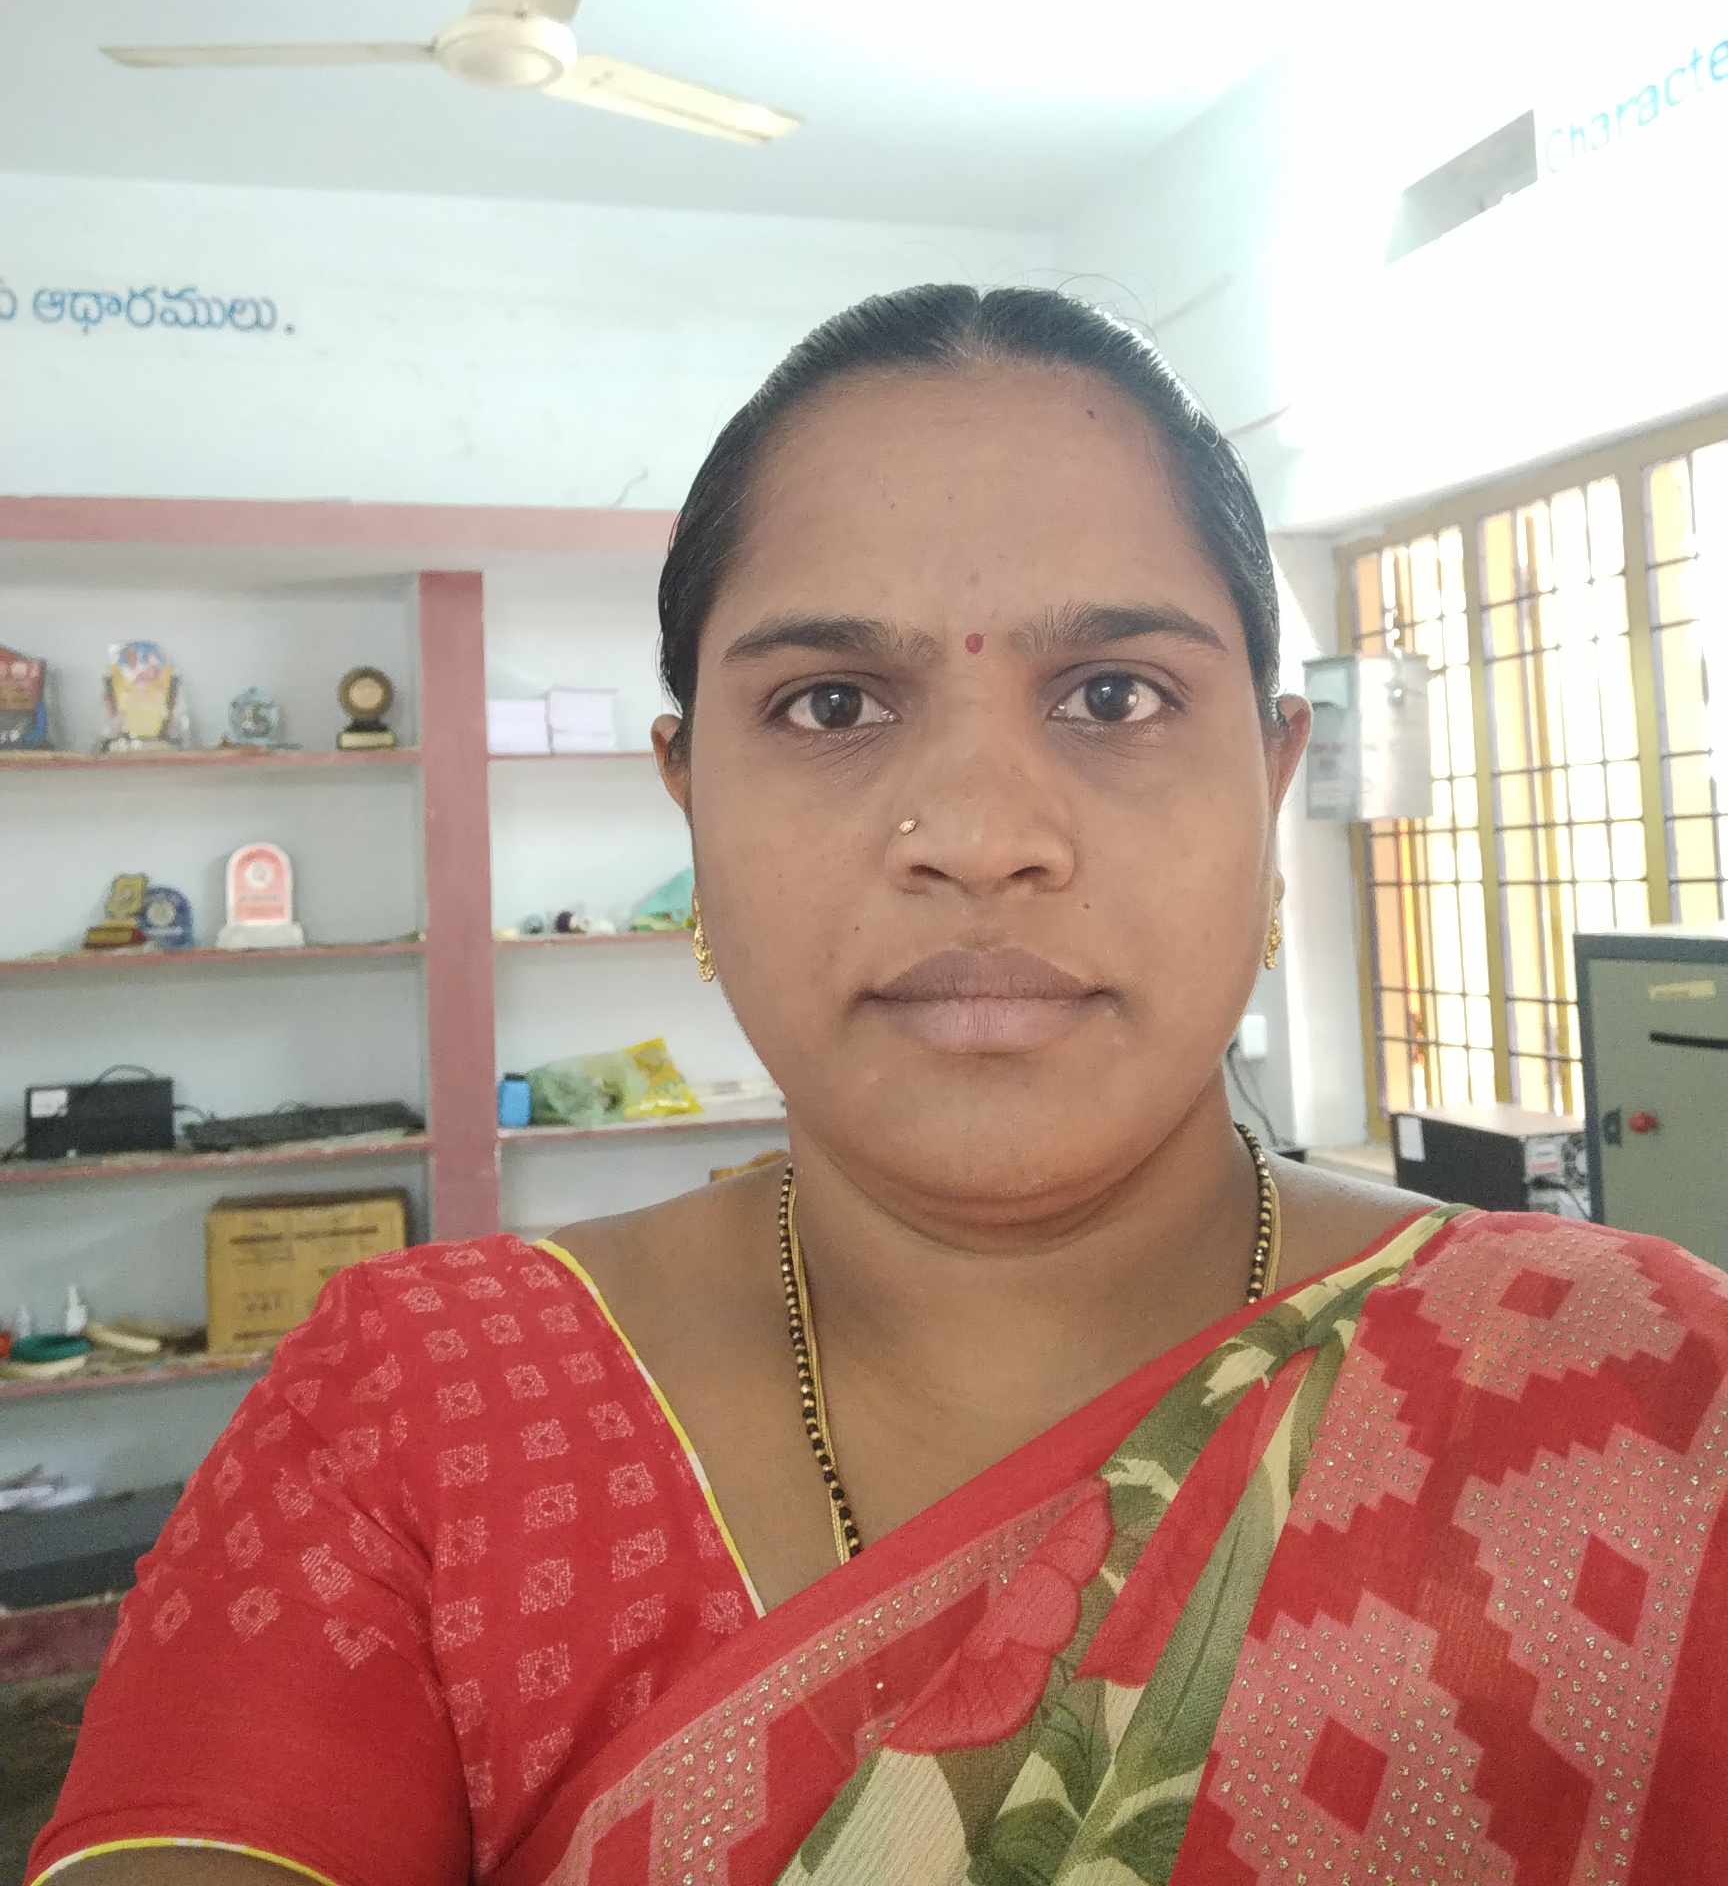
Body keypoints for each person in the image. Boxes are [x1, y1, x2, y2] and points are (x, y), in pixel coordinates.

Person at [31, 287, 1728, 1886]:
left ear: (1271, 781)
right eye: (832, 702)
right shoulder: (412, 1414)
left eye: (1116, 694)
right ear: (691, 802)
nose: (979, 839)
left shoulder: (1649, 1400)